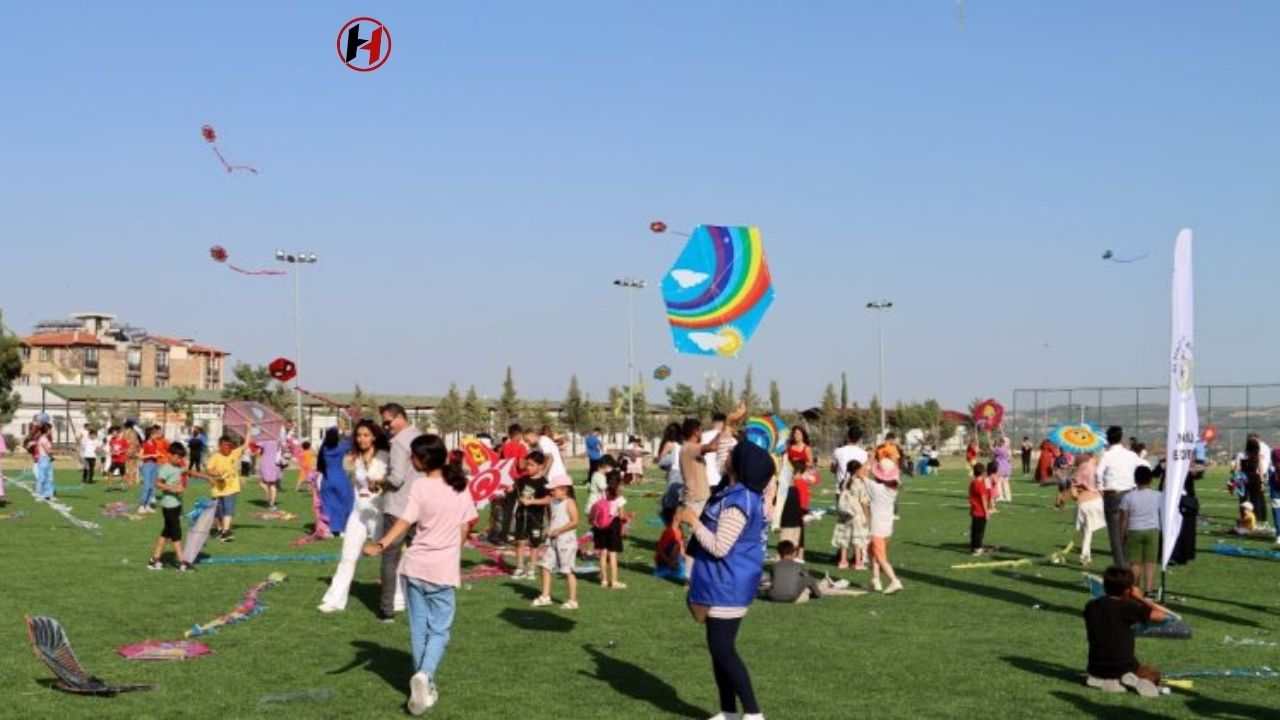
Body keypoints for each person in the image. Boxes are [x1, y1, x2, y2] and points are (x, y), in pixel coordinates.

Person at [362, 434, 478, 716]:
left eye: (413, 456)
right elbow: (466, 527)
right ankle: (425, 675)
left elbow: (404, 521)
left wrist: (380, 544)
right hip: (441, 570)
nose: (411, 461)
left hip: (414, 567)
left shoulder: (421, 486)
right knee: (439, 630)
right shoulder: (460, 488)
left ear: (424, 460)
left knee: (419, 628)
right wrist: (454, 549)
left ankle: (424, 682)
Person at [680, 440, 774, 720]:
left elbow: (721, 546)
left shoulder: (739, 502)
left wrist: (693, 522)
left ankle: (754, 714)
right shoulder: (734, 490)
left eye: (733, 454)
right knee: (718, 650)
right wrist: (728, 426)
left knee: (722, 648)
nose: (727, 455)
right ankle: (728, 712)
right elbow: (723, 452)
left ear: (741, 465)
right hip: (720, 581)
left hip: (728, 583)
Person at [319, 419, 393, 613]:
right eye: (359, 435)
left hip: (378, 512)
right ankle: (334, 599)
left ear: (374, 436)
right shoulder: (357, 458)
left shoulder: (385, 456)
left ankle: (399, 597)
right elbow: (358, 485)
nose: (361, 439)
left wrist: (379, 482)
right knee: (347, 556)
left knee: (388, 557)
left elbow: (392, 482)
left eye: (366, 435)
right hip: (358, 512)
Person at [1083, 566, 1166, 697]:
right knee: (1154, 674)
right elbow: (1161, 615)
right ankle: (1132, 680)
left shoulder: (1090, 606)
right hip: (1124, 666)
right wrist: (1139, 598)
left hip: (1095, 667)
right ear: (1128, 590)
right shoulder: (1129, 607)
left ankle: (1101, 680)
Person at [380, 403, 423, 622]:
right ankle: (417, 604)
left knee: (390, 558)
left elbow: (396, 478)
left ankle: (387, 609)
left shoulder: (398, 442)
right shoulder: (420, 436)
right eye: (383, 423)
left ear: (400, 417)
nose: (386, 427)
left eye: (388, 421)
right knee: (418, 559)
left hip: (398, 508)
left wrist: (379, 483)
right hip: (420, 509)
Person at [530, 474, 580, 610]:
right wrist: (548, 529)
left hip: (566, 541)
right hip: (552, 540)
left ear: (564, 489)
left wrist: (559, 530)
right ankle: (545, 596)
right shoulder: (553, 502)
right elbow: (553, 519)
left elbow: (575, 521)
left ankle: (573, 600)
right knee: (545, 566)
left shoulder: (569, 502)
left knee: (567, 569)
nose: (551, 491)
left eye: (554, 489)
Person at [1096, 426, 1142, 568]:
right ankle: (1128, 564)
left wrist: (1100, 487)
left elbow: (1098, 472)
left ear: (1108, 439)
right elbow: (1143, 467)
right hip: (1130, 493)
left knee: (1115, 534)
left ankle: (1120, 567)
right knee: (1129, 532)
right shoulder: (1131, 454)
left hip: (1113, 495)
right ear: (1121, 438)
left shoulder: (1107, 454)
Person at [148, 442, 193, 572]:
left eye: (181, 458)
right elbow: (157, 483)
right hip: (169, 507)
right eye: (178, 457)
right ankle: (182, 562)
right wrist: (173, 488)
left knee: (166, 533)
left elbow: (189, 472)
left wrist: (207, 477)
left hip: (176, 506)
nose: (180, 460)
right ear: (170, 455)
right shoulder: (165, 468)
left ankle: (154, 560)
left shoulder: (178, 467)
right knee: (176, 533)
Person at [200, 427, 251, 542]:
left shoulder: (234, 454)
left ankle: (225, 532)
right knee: (219, 512)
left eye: (229, 445)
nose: (227, 448)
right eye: (225, 445)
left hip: (231, 488)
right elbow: (208, 470)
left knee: (229, 509)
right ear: (220, 446)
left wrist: (249, 429)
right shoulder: (215, 457)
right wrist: (216, 473)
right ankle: (220, 529)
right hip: (217, 489)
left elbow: (245, 445)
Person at [1119, 466, 1162, 595]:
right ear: (1151, 480)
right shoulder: (1158, 495)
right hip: (1152, 530)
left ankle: (1135, 588)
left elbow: (1124, 519)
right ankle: (1148, 590)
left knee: (1135, 562)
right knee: (1150, 562)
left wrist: (1121, 535)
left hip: (1134, 530)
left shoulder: (1128, 497)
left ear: (1135, 480)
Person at [866, 458, 904, 594]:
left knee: (881, 557)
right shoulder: (893, 488)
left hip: (877, 528)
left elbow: (862, 475)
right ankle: (875, 580)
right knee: (872, 552)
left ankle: (894, 580)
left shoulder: (876, 488)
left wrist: (868, 462)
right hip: (887, 527)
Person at [511, 450, 549, 579]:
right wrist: (509, 489)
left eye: (532, 465)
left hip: (536, 518)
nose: (528, 467)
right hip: (521, 515)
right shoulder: (522, 480)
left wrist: (532, 501)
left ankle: (532, 568)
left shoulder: (544, 483)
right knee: (520, 542)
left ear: (540, 466)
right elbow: (514, 489)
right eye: (527, 464)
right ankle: (520, 567)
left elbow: (548, 499)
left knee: (534, 543)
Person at [590, 471, 630, 590]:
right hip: (613, 525)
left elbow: (596, 507)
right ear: (619, 482)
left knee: (603, 553)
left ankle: (603, 580)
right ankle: (614, 581)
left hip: (600, 526)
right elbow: (622, 515)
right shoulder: (619, 497)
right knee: (612, 554)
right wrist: (626, 519)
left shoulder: (601, 494)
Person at [832, 459, 871, 570]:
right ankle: (858, 562)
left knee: (844, 537)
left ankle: (843, 561)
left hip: (845, 513)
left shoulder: (844, 482)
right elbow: (864, 501)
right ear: (857, 470)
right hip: (857, 513)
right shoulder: (860, 483)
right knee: (858, 538)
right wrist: (866, 516)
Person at [317, 427, 355, 537]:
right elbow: (350, 442)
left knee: (328, 504)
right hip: (340, 478)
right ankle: (343, 528)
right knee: (346, 503)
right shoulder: (340, 448)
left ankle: (329, 528)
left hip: (327, 479)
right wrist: (348, 434)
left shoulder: (323, 450)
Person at [495, 424, 528, 544]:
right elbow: (521, 465)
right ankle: (520, 535)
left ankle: (503, 536)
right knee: (523, 507)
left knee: (507, 510)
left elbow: (500, 462)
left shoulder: (504, 447)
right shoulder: (521, 448)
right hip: (519, 480)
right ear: (519, 434)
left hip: (507, 480)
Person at [1072, 453, 1105, 566]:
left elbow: (1073, 495)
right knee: (1089, 531)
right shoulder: (1097, 470)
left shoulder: (1077, 474)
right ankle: (1086, 556)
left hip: (1083, 504)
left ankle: (1085, 556)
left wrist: (1080, 492)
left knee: (1086, 532)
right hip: (1097, 501)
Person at [1234, 437, 1269, 527]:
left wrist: (1235, 481)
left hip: (1242, 477)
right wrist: (1262, 482)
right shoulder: (1258, 455)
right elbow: (1260, 469)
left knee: (1242, 500)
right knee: (1256, 500)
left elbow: (1237, 469)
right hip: (1254, 477)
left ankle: (1243, 520)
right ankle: (1256, 522)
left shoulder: (1241, 454)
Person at [654, 506, 687, 583]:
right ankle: (668, 568)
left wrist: (687, 561)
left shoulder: (678, 531)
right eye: (682, 514)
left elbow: (682, 550)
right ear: (675, 516)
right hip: (665, 561)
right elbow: (660, 550)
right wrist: (669, 562)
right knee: (676, 545)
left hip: (673, 560)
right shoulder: (669, 532)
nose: (684, 516)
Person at [137, 424, 165, 514]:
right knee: (147, 486)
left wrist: (159, 454)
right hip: (147, 465)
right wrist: (151, 455)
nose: (156, 435)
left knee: (152, 486)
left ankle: (148, 505)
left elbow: (156, 452)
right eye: (154, 434)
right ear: (149, 434)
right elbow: (140, 456)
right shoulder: (144, 444)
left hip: (155, 465)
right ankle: (141, 505)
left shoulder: (154, 443)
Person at [832, 427, 868, 491]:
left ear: (847, 436)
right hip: (857, 487)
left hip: (842, 487)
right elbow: (864, 473)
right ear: (859, 439)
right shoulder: (864, 453)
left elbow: (833, 469)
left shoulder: (838, 451)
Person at [969, 463, 992, 555]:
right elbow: (984, 499)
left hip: (974, 510)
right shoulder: (980, 485)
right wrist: (987, 512)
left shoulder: (973, 483)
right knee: (979, 531)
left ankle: (974, 547)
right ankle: (978, 548)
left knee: (974, 530)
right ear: (983, 473)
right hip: (980, 512)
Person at [584, 454, 615, 518]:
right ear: (605, 465)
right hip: (595, 500)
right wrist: (610, 485)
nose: (612, 469)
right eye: (611, 466)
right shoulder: (598, 475)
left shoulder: (598, 474)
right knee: (597, 519)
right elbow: (602, 487)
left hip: (598, 499)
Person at [257, 436, 283, 512]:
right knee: (273, 485)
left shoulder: (265, 439)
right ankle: (272, 504)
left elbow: (259, 450)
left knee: (261, 482)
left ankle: (268, 494)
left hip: (266, 462)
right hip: (275, 463)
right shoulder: (278, 440)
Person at [992, 436, 1013, 503]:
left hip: (1001, 467)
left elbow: (993, 450)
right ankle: (1008, 497)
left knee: (999, 482)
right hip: (1007, 468)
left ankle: (1000, 496)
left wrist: (991, 444)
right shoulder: (1008, 450)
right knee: (1006, 483)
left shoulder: (1000, 449)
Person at [106, 426, 127, 492]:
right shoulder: (111, 440)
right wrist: (111, 452)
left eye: (114, 432)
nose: (113, 434)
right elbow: (111, 448)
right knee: (109, 472)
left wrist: (120, 452)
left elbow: (126, 449)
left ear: (118, 433)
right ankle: (110, 486)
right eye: (112, 433)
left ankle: (122, 485)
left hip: (121, 459)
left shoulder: (123, 440)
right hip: (114, 460)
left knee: (122, 473)